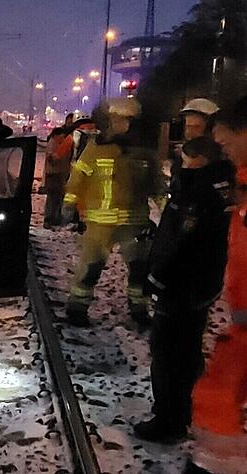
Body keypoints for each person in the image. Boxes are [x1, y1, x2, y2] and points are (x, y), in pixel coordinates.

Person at [132, 136, 235, 444]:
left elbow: (179, 242)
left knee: (168, 353)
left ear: (200, 161)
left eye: (188, 160)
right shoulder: (221, 189)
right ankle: (182, 411)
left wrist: (156, 278)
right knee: (186, 351)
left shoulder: (196, 192)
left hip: (180, 287)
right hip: (199, 287)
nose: (183, 165)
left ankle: (168, 421)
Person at [185, 97, 247, 473]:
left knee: (218, 400)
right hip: (240, 331)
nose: (222, 147)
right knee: (215, 400)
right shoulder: (241, 186)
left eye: (226, 140)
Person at [62, 98, 163, 327]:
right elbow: (78, 178)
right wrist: (69, 203)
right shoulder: (94, 148)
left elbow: (156, 186)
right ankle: (77, 308)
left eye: (124, 120)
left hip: (134, 222)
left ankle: (139, 309)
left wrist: (167, 210)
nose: (119, 124)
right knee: (90, 268)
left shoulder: (144, 153)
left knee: (138, 270)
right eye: (116, 120)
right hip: (100, 224)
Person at [43, 127, 67, 228]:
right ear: (56, 135)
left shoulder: (56, 143)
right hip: (53, 174)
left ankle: (54, 218)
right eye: (61, 137)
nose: (63, 139)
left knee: (56, 198)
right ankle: (49, 219)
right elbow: (51, 159)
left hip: (57, 174)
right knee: (53, 197)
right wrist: (57, 157)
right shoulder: (52, 144)